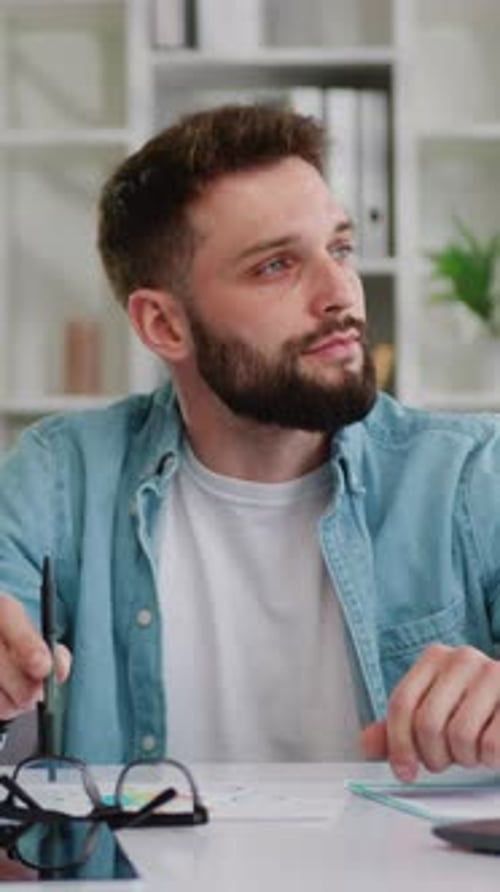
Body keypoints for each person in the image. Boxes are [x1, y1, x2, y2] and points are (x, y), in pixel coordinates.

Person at [0, 104, 500, 780]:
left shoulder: (472, 476)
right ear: (164, 325)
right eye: (275, 266)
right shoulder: (59, 478)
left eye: (340, 248)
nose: (340, 293)